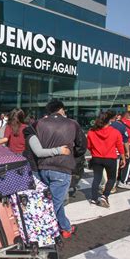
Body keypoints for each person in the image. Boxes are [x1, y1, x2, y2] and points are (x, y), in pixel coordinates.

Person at [36, 99, 87, 239]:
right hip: (62, 167)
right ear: (61, 109)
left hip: (43, 166)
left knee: (53, 201)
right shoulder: (72, 123)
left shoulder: (40, 123)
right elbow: (82, 146)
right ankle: (43, 234)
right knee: (54, 204)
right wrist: (72, 154)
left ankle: (65, 227)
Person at [87, 111, 126, 208]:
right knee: (112, 178)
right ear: (109, 121)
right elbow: (120, 146)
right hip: (110, 158)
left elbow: (88, 146)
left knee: (97, 178)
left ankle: (93, 199)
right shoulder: (115, 132)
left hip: (96, 158)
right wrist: (123, 158)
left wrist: (94, 151)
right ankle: (105, 196)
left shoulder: (91, 131)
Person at [100, 113, 130, 192]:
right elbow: (125, 140)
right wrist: (127, 152)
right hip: (115, 152)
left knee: (103, 170)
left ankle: (104, 185)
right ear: (116, 117)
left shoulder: (101, 125)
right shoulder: (121, 126)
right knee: (114, 170)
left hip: (102, 151)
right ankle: (112, 187)